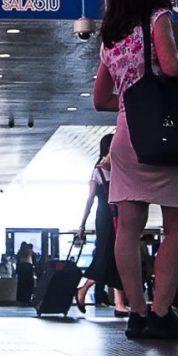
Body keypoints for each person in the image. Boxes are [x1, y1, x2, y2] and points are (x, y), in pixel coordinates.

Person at [93, 0, 178, 342]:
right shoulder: (158, 17)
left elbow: (99, 99)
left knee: (128, 227)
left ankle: (136, 315)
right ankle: (161, 314)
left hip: (125, 135)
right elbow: (171, 66)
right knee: (176, 226)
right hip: (162, 133)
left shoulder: (110, 39)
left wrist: (130, 103)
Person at [74, 134, 122, 315]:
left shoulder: (118, 168)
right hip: (105, 218)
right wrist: (82, 224)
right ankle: (84, 289)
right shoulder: (98, 171)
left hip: (119, 216)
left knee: (119, 257)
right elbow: (90, 200)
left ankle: (119, 303)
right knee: (105, 255)